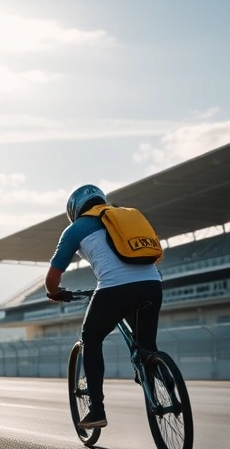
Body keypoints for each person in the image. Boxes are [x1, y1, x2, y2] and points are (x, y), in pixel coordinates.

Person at [45, 184, 163, 429]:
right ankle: (161, 375)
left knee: (91, 338)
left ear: (74, 210)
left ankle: (97, 410)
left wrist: (55, 293)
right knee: (146, 346)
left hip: (114, 288)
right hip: (152, 284)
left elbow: (53, 276)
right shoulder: (124, 217)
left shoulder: (75, 229)